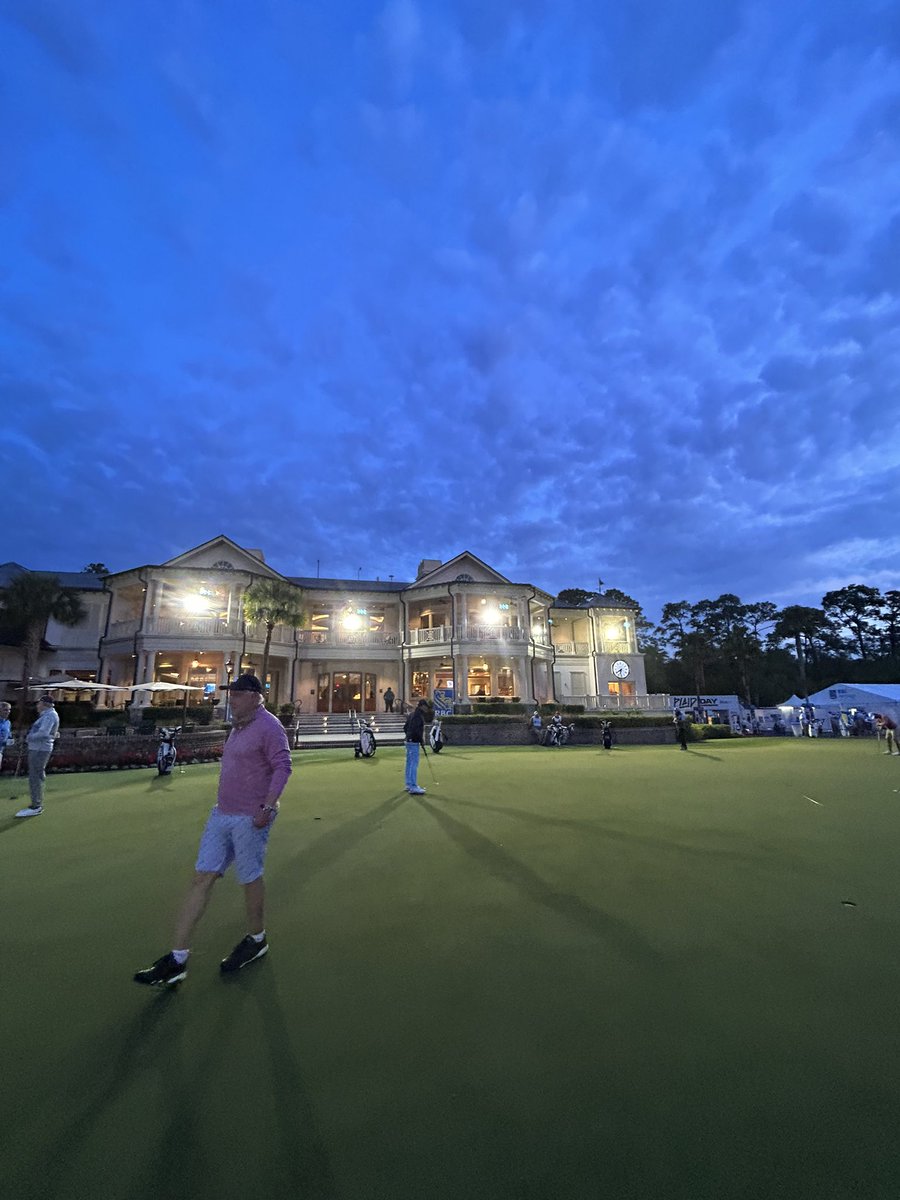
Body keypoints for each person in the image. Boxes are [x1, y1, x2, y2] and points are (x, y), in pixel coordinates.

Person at [133, 674, 292, 988]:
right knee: (201, 876)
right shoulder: (240, 726)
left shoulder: (269, 726)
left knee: (249, 878)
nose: (230, 699)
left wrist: (269, 806)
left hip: (250, 817)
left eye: (236, 694)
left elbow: (283, 766)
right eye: (230, 694)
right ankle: (177, 959)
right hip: (221, 813)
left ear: (254, 696)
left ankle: (256, 939)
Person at [16, 694, 60, 818]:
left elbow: (44, 733)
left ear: (44, 704)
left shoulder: (49, 716)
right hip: (38, 748)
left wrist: (29, 738)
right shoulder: (47, 715)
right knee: (36, 775)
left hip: (40, 749)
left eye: (39, 703)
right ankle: (36, 803)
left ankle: (37, 805)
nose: (37, 705)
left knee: (35, 776)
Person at [403, 698, 429, 794]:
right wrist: (421, 741)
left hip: (409, 741)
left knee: (409, 763)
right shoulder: (418, 716)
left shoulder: (412, 714)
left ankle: (409, 784)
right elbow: (417, 731)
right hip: (413, 741)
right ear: (422, 706)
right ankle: (413, 786)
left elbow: (405, 727)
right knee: (414, 763)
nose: (427, 709)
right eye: (426, 706)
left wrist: (408, 736)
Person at [0, 701, 12, 773]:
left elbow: (9, 735)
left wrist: (10, 740)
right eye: (5, 710)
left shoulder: (8, 722)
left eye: (9, 709)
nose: (8, 712)